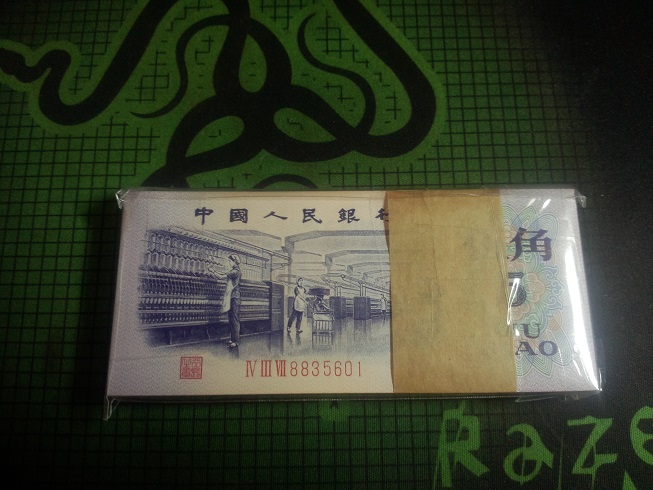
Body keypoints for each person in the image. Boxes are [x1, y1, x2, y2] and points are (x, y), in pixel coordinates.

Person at [215, 254, 241, 348]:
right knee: (231, 319)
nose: (229, 263)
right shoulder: (233, 271)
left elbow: (221, 276)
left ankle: (236, 341)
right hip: (232, 297)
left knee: (234, 319)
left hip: (234, 297)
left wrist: (212, 271)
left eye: (230, 261)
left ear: (234, 262)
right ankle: (233, 339)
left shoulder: (236, 271)